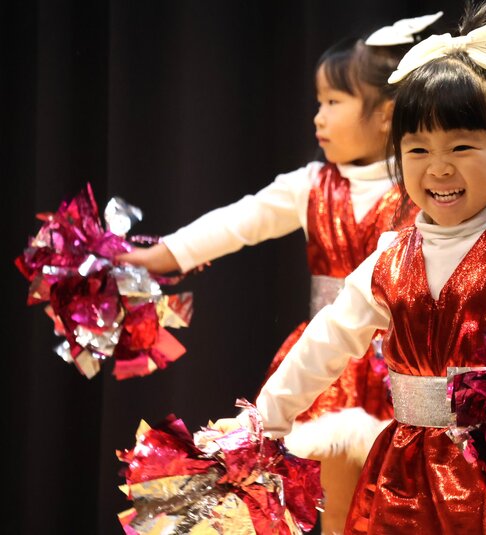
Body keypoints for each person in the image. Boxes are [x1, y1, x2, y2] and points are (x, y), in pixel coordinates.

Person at [254, 2, 486, 533]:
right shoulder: (389, 259)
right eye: (418, 150)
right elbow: (326, 342)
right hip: (407, 478)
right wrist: (264, 421)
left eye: (461, 147)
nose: (438, 167)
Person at [117, 11, 444, 535]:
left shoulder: (423, 186)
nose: (318, 117)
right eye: (318, 102)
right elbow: (239, 221)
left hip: (405, 371)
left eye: (333, 102)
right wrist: (165, 254)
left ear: (386, 115)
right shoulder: (310, 185)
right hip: (330, 365)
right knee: (337, 506)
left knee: (402, 507)